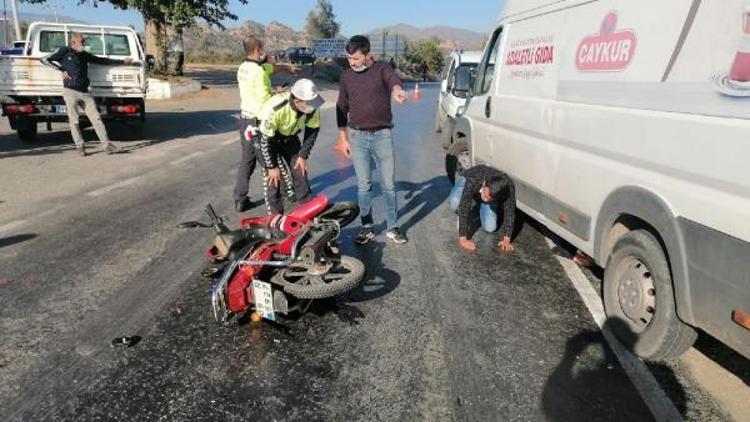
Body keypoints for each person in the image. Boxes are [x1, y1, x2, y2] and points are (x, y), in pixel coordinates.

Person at [336, 35, 409, 245]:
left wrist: (397, 90)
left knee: (388, 185)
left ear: (368, 55)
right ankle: (366, 226)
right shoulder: (346, 76)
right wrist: (343, 137)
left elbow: (393, 80)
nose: (352, 62)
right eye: (349, 58)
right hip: (358, 137)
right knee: (363, 186)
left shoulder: (382, 69)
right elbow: (341, 107)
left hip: (382, 136)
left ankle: (393, 226)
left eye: (356, 58)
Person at [42, 33, 132, 156]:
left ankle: (107, 145)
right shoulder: (64, 51)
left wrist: (122, 61)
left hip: (85, 92)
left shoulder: (84, 55)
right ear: (73, 43)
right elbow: (44, 60)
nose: (84, 45)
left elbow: (101, 60)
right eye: (82, 43)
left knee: (96, 119)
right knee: (74, 121)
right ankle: (80, 147)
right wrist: (62, 70)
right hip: (70, 92)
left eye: (84, 43)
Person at [233, 36, 296, 212]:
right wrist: (279, 93)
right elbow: (264, 101)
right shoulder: (258, 72)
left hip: (245, 120)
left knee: (247, 161)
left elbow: (270, 69)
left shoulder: (243, 68)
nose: (264, 52)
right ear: (255, 51)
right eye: (262, 49)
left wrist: (285, 68)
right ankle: (285, 194)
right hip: (258, 122)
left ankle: (240, 199)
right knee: (271, 161)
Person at [256, 78, 323, 215]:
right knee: (273, 179)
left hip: (289, 137)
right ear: (297, 101)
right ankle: (276, 219)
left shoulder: (312, 107)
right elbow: (265, 140)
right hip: (266, 138)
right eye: (309, 103)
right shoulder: (276, 108)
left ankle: (306, 209)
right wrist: (272, 166)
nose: (313, 106)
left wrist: (303, 155)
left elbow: (312, 130)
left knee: (300, 170)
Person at [449, 165, 516, 252]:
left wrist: (506, 240)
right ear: (484, 184)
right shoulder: (474, 178)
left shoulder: (508, 188)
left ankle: (478, 203)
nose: (485, 198)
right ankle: (463, 214)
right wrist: (463, 239)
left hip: (483, 190)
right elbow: (464, 205)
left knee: (490, 227)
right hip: (467, 180)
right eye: (485, 195)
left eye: (489, 198)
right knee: (455, 202)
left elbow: (510, 212)